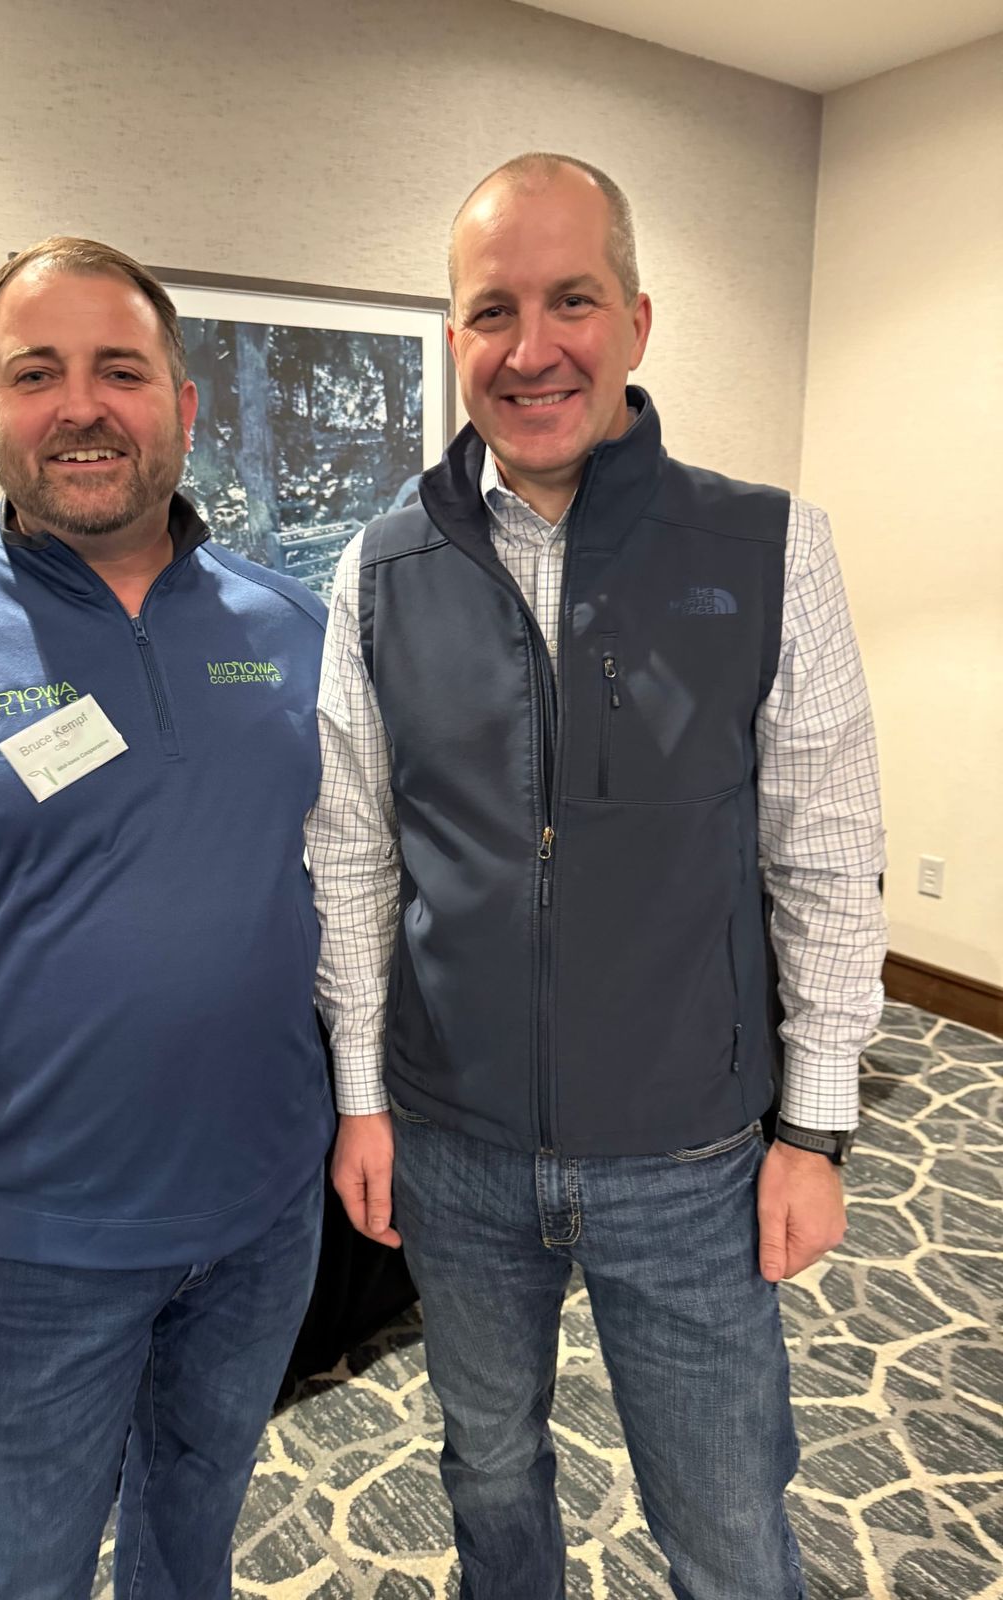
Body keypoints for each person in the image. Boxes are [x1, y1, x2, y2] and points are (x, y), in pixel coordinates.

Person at [306, 153, 887, 1600]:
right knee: (488, 1467)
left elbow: (824, 852)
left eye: (573, 299)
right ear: (456, 342)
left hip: (688, 1158)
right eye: (492, 309)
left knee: (728, 1516)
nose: (533, 344)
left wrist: (815, 1128)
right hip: (455, 1145)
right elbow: (355, 853)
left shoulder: (765, 547)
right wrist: (364, 1096)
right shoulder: (378, 572)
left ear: (637, 317)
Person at [0, 237, 333, 1600]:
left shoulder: (295, 627)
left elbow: (350, 886)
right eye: (37, 373)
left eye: (120, 369)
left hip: (268, 1219)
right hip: (34, 1258)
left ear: (184, 404)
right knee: (17, 1576)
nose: (81, 405)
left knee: (191, 1534)